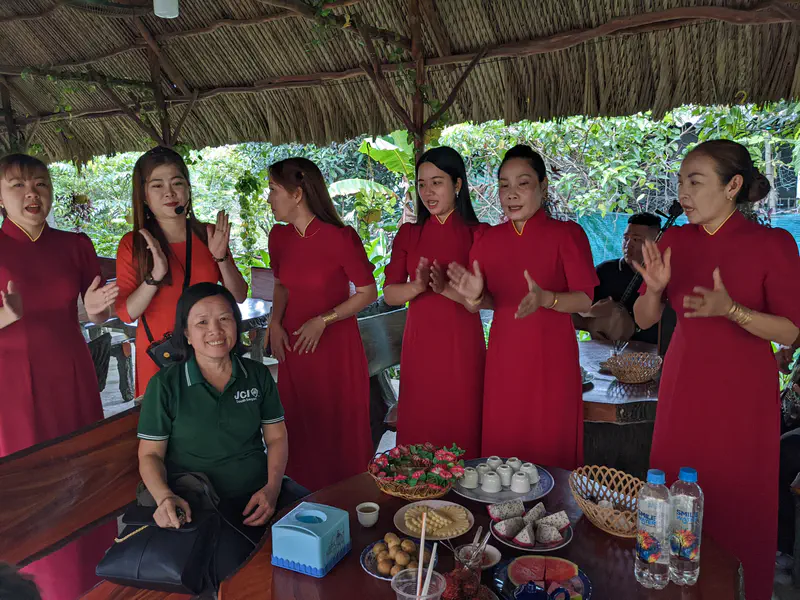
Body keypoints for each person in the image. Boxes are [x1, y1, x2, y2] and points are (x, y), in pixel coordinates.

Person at [633, 139, 800, 600]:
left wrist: (734, 311)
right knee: (673, 495)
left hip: (742, 393)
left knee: (735, 496)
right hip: (684, 385)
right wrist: (653, 290)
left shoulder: (772, 243)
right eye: (681, 180)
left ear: (733, 186)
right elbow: (644, 319)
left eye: (695, 181)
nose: (682, 191)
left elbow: (791, 332)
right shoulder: (675, 241)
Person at [0, 154, 118, 599]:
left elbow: (93, 313)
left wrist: (95, 311)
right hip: (10, 383)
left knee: (81, 469)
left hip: (70, 373)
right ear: (0, 196)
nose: (32, 193)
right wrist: (3, 319)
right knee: (28, 481)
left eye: (41, 184)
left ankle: (95, 576)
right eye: (17, 185)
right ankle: (30, 585)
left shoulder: (76, 245)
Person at [137, 283, 307, 582]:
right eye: (201, 322)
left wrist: (272, 487)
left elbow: (277, 437)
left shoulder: (255, 375)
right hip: (202, 502)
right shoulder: (166, 385)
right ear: (186, 334)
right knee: (244, 572)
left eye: (224, 318)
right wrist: (164, 498)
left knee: (318, 535)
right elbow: (150, 454)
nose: (215, 329)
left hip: (260, 492)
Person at [448, 145, 598, 469]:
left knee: (549, 449)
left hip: (552, 362)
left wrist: (546, 299)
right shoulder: (487, 240)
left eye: (523, 183)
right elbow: (485, 301)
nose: (511, 194)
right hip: (504, 362)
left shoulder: (567, 235)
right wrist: (474, 296)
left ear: (543, 187)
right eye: (504, 185)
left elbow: (585, 299)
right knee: (503, 454)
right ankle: (500, 519)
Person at [267, 157, 378, 491]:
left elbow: (368, 292)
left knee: (337, 430)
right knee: (299, 424)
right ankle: (302, 503)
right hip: (295, 350)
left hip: (335, 351)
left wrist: (324, 320)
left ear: (297, 194)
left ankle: (349, 501)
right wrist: (275, 322)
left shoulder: (340, 238)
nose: (269, 198)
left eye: (273, 190)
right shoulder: (279, 237)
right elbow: (281, 284)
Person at [115, 147, 248, 396]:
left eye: (177, 183)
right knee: (164, 430)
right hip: (160, 357)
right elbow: (127, 313)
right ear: (143, 195)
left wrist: (221, 257)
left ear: (188, 189)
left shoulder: (207, 233)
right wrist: (155, 276)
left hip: (211, 351)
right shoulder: (133, 244)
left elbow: (238, 295)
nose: (169, 193)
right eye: (157, 185)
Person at [383, 147, 486, 456]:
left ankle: (465, 501)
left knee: (461, 428)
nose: (427, 191)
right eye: (421, 183)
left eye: (437, 182)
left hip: (461, 348)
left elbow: (476, 303)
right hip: (419, 347)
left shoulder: (478, 234)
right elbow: (389, 294)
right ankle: (417, 502)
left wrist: (442, 288)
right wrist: (416, 287)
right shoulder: (409, 234)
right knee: (420, 433)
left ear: (457, 185)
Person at [574, 212, 666, 344]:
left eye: (636, 239)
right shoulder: (605, 271)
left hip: (649, 352)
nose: (628, 244)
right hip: (606, 350)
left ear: (656, 242)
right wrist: (590, 320)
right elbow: (573, 313)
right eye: (626, 238)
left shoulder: (665, 275)